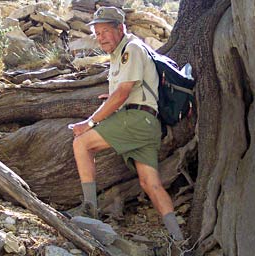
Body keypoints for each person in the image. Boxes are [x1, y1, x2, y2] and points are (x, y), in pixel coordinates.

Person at [69, 6, 185, 243]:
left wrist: (90, 122)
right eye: (97, 33)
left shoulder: (130, 48)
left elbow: (123, 93)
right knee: (150, 184)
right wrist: (111, 99)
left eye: (104, 31)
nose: (100, 37)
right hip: (148, 124)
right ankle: (180, 240)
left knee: (81, 143)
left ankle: (90, 210)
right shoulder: (122, 52)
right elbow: (124, 91)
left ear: (120, 28)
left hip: (136, 120)